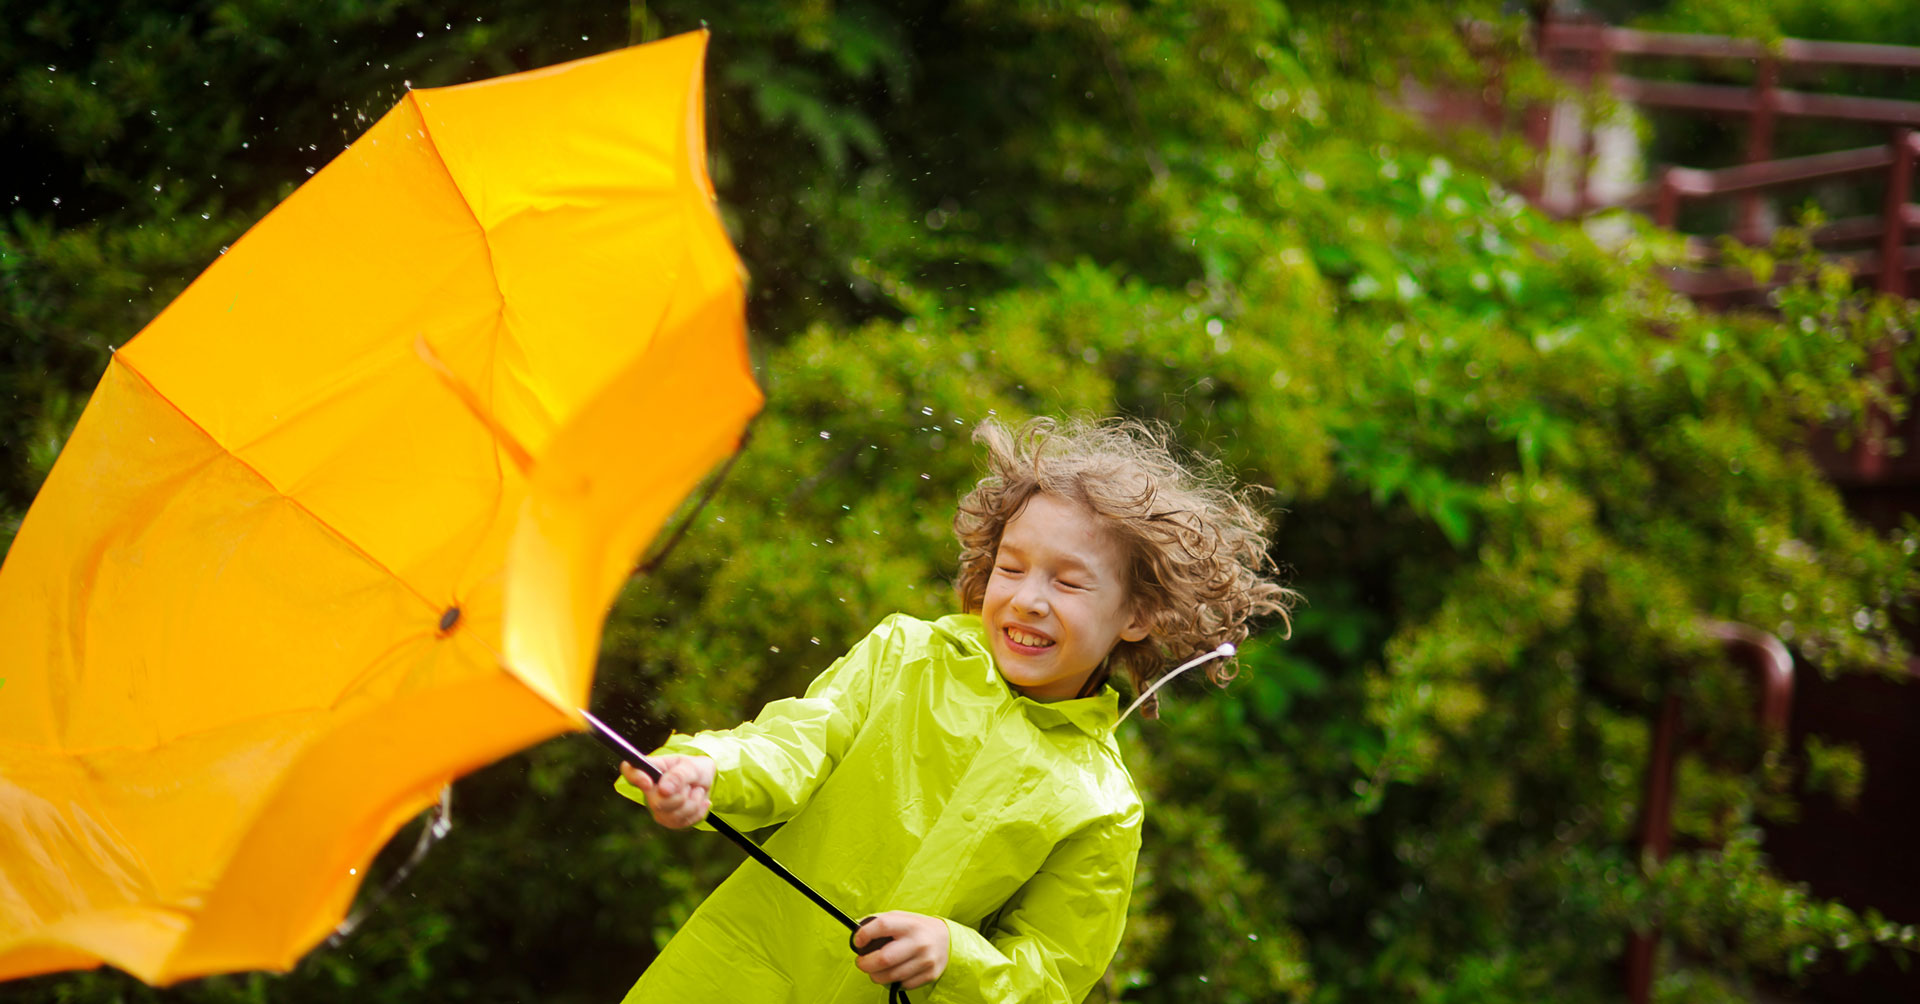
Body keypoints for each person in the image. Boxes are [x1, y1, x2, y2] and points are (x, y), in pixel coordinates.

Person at [614, 416, 1296, 1002]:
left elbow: (1049, 977)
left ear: (1139, 615)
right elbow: (792, 745)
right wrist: (708, 769)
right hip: (728, 980)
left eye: (1067, 581)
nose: (1028, 598)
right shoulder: (904, 654)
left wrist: (952, 954)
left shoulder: (1102, 806)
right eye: (1011, 567)